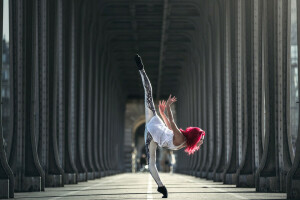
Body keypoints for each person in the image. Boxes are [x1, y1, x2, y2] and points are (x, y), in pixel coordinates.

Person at [135, 54, 205, 198]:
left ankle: (142, 71)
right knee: (151, 163)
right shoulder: (181, 139)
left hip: (152, 132)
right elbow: (168, 126)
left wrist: (167, 107)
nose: (201, 141)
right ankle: (161, 187)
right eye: (200, 139)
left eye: (200, 139)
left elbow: (172, 123)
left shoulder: (180, 138)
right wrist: (162, 113)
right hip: (156, 126)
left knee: (148, 94)